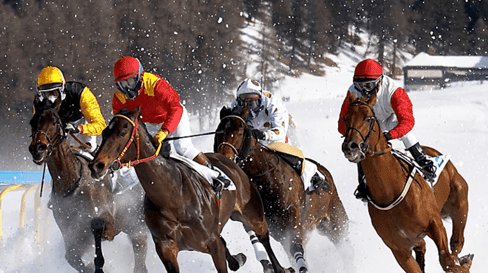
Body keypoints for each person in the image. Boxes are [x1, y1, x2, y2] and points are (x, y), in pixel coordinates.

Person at [112, 56, 231, 193]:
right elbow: (122, 121)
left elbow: (176, 108)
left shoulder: (155, 84)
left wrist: (165, 131)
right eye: (122, 84)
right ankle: (128, 186)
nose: (127, 88)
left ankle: (215, 175)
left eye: (130, 82)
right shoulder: (119, 96)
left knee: (183, 148)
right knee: (141, 153)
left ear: (140, 76)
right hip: (149, 124)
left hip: (173, 116)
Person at [338, 58, 438, 202]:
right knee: (360, 142)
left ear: (379, 81)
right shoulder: (353, 92)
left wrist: (390, 135)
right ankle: (363, 181)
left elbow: (407, 121)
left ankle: (423, 160)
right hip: (367, 123)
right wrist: (353, 137)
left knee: (403, 131)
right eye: (359, 85)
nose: (363, 90)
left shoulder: (394, 91)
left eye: (368, 85)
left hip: (390, 120)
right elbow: (342, 122)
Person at [232, 78, 326, 193]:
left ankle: (312, 174)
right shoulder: (235, 106)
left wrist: (263, 135)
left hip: (276, 135)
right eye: (244, 103)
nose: (249, 108)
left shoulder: (272, 104)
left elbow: (280, 132)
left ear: (260, 99)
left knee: (288, 154)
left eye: (252, 103)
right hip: (253, 139)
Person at [35, 66, 106, 155]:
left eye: (54, 93)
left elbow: (100, 125)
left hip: (82, 121)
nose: (51, 99)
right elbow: (40, 129)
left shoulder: (81, 93)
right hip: (59, 127)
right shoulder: (39, 103)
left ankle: (103, 163)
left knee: (90, 148)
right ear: (40, 94)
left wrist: (79, 129)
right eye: (46, 94)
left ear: (62, 89)